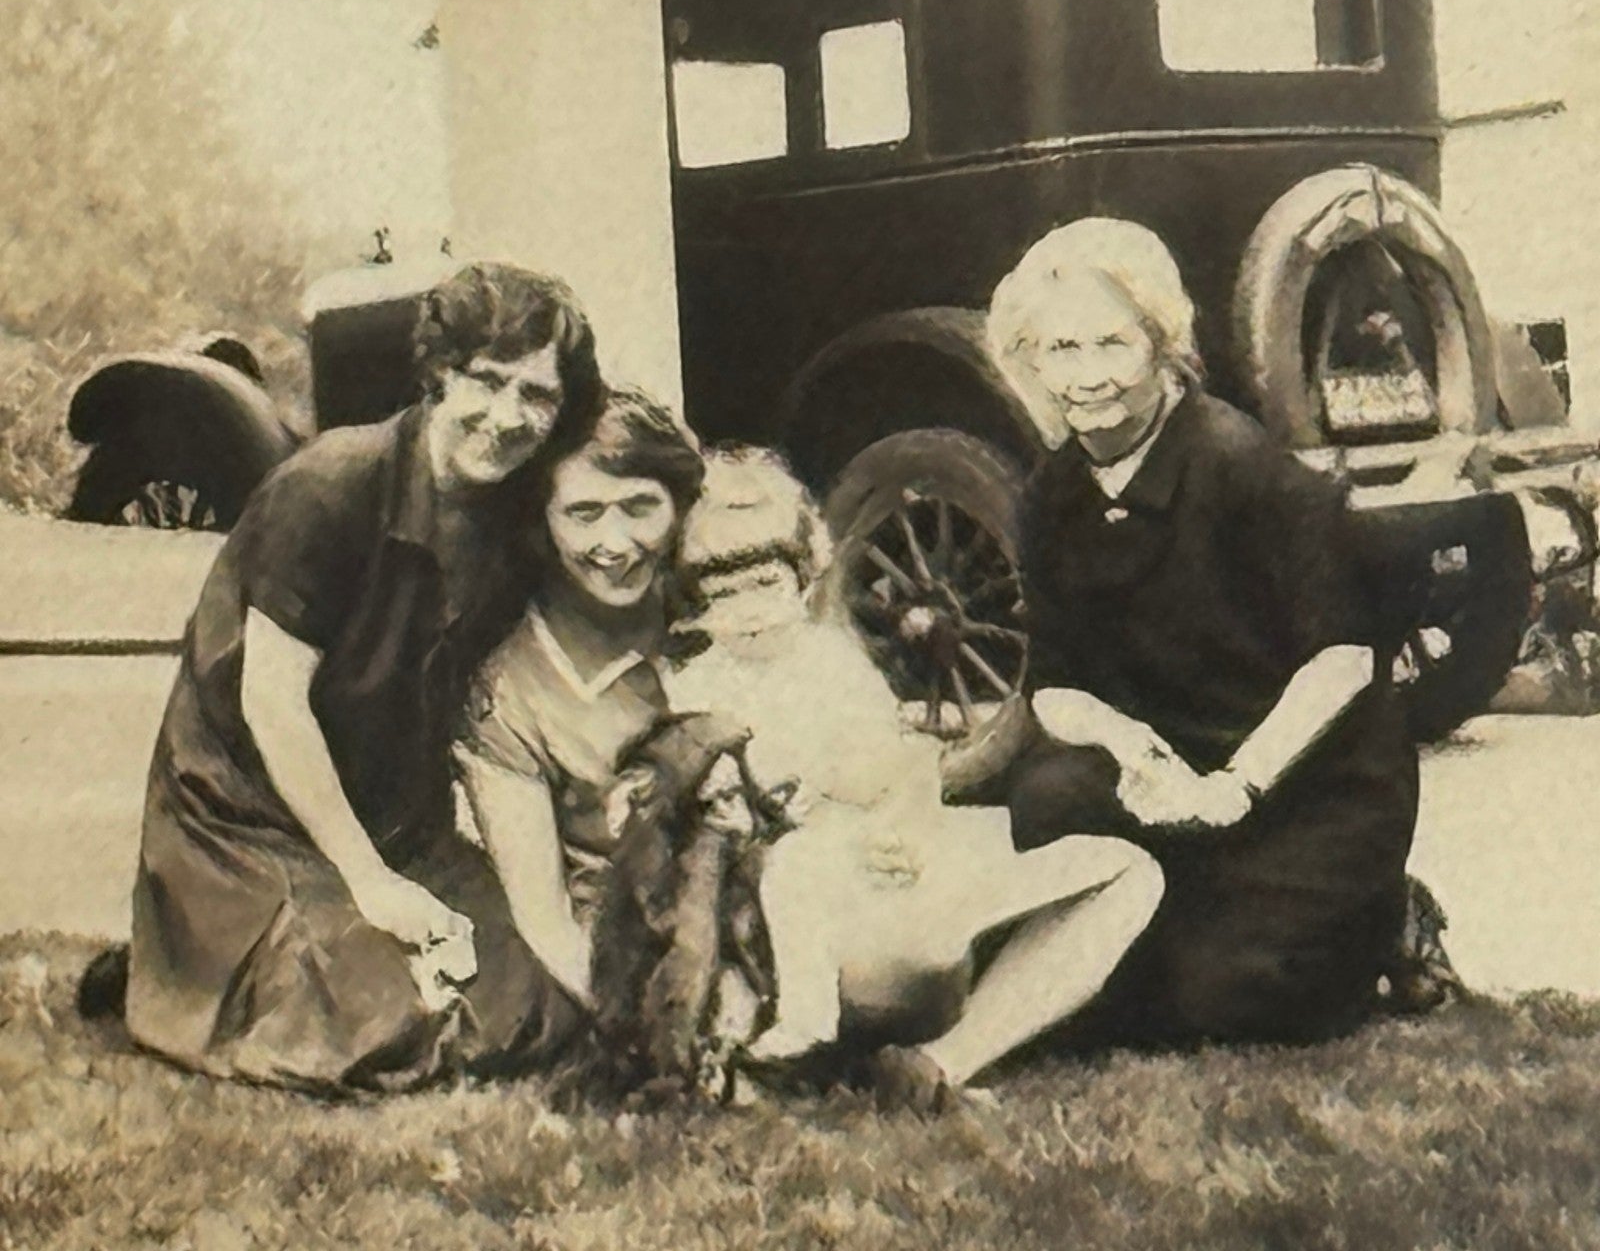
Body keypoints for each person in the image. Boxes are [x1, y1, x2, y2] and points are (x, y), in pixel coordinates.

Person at [118, 262, 604, 1094]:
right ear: (440, 374)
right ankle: (184, 963)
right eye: (489, 382)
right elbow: (273, 704)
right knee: (379, 1030)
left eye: (538, 396)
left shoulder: (516, 511)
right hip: (247, 814)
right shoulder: (331, 483)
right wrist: (371, 885)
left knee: (530, 1011)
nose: (508, 418)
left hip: (397, 816)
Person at [983, 217, 1419, 1048]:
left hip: (1301, 784)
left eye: (1113, 345)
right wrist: (1131, 748)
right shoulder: (1052, 494)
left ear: (1161, 344)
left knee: (1220, 1003)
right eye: (1059, 350)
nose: (1087, 379)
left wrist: (1235, 787)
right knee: (1048, 796)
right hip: (1170, 773)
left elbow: (1344, 658)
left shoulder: (1240, 464)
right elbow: (1056, 685)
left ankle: (1388, 920)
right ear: (1027, 362)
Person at [667, 446, 1165, 1113]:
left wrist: (898, 825)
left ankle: (943, 1060)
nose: (749, 613)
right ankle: (806, 1021)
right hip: (800, 914)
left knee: (1125, 869)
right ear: (695, 603)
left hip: (883, 876)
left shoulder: (834, 663)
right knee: (797, 859)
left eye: (765, 586)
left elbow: (900, 767)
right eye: (723, 595)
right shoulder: (693, 689)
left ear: (806, 579)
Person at [455, 387, 777, 1097]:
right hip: (639, 933)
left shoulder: (729, 606)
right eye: (583, 514)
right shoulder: (509, 684)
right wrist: (644, 1027)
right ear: (542, 522)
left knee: (912, 972)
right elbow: (543, 913)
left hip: (781, 898)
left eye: (641, 508)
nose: (616, 543)